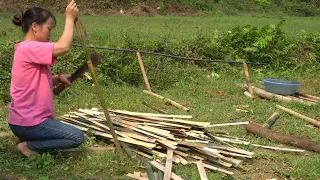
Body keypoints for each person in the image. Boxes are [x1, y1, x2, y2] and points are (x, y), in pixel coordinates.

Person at [9, 0, 84, 157]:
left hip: (22, 121)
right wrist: (69, 18)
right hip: (30, 122)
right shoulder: (29, 47)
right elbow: (63, 47)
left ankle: (25, 138)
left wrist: (57, 78)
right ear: (35, 27)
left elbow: (34, 81)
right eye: (49, 29)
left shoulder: (27, 49)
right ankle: (28, 146)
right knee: (77, 136)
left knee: (64, 132)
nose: (50, 34)